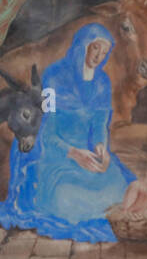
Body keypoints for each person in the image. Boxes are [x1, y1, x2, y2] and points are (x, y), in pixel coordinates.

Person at [0, 24, 135, 241]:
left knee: (118, 186)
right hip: (56, 151)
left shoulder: (102, 82)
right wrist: (73, 153)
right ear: (83, 46)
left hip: (87, 151)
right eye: (95, 49)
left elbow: (100, 125)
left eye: (104, 52)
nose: (99, 56)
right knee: (65, 197)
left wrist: (101, 147)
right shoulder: (54, 76)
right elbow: (47, 129)